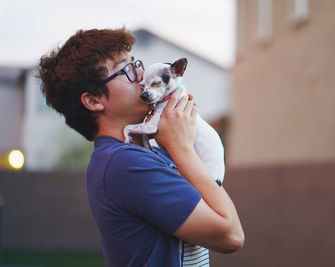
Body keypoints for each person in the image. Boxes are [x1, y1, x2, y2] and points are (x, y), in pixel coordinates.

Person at [39, 28, 244, 266]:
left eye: (136, 63)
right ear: (94, 100)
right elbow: (231, 235)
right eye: (126, 69)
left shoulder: (147, 153)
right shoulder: (124, 164)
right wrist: (183, 148)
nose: (141, 75)